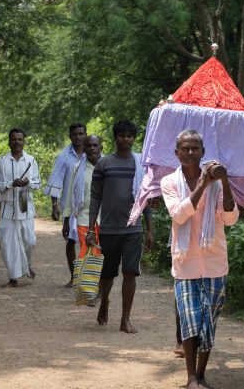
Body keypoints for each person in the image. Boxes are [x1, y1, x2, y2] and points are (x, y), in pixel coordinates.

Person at [160, 129, 239, 389]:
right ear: (177, 153)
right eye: (186, 148)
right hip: (185, 264)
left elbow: (230, 218)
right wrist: (203, 184)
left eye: (195, 148)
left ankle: (202, 375)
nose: (191, 152)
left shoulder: (217, 183)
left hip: (215, 262)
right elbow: (179, 215)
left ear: (203, 152)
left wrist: (224, 181)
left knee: (208, 323)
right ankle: (191, 377)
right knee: (190, 321)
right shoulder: (169, 182)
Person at [86, 119, 154, 334]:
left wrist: (150, 229)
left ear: (134, 138)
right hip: (108, 228)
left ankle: (125, 319)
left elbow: (146, 198)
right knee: (107, 274)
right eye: (121, 135)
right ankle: (104, 300)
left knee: (130, 273)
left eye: (129, 136)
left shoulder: (141, 164)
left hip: (133, 229)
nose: (126, 139)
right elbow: (96, 197)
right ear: (115, 138)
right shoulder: (104, 164)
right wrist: (90, 228)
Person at [0, 128, 41, 287]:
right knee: (7, 244)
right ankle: (13, 278)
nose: (17, 142)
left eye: (20, 139)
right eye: (14, 139)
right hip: (7, 209)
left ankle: (27, 265)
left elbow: (38, 184)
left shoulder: (31, 161)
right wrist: (9, 184)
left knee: (29, 240)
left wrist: (28, 183)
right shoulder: (2, 161)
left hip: (25, 207)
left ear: (24, 141)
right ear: (9, 141)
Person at [45, 123, 87, 287]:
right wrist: (54, 204)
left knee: (87, 240)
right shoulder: (64, 156)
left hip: (88, 205)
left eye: (81, 134)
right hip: (69, 204)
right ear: (70, 136)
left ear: (85, 135)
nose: (78, 137)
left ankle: (87, 276)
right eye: (75, 134)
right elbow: (56, 178)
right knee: (70, 239)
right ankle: (74, 276)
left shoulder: (92, 153)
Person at [62, 135, 102, 260]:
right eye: (89, 146)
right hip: (84, 218)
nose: (92, 148)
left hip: (106, 219)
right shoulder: (78, 168)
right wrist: (66, 221)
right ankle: (86, 279)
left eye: (95, 145)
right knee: (87, 256)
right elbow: (70, 195)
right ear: (84, 149)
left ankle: (99, 280)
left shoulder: (108, 165)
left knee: (103, 257)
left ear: (101, 148)